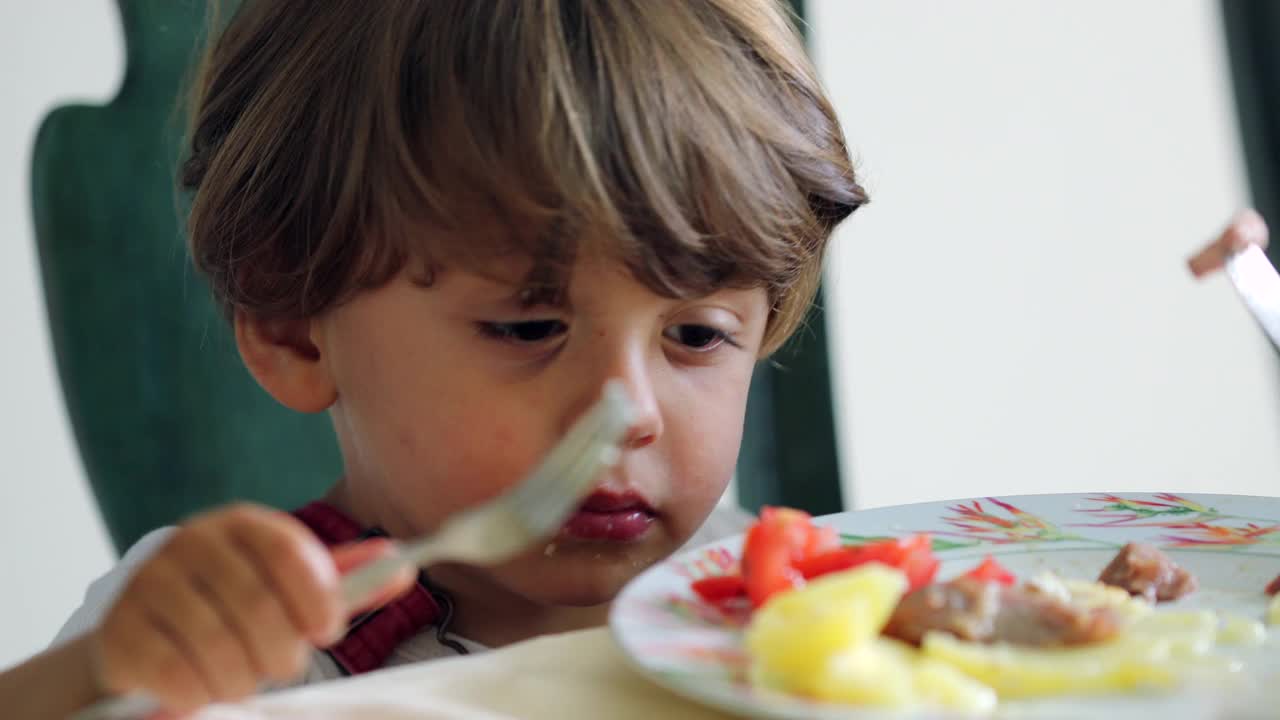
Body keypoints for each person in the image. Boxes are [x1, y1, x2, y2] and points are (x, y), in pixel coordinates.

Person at [0, 1, 867, 716]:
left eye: (698, 334)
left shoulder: (790, 606)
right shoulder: (232, 639)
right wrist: (106, 671)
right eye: (529, 329)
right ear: (295, 327)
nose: (631, 408)